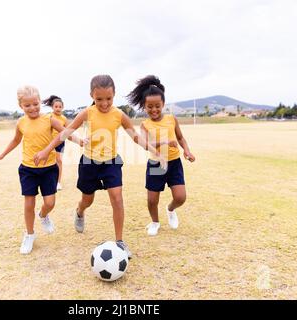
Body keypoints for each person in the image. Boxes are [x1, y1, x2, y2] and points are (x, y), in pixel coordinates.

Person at [34, 75, 165, 258]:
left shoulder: (119, 115)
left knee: (117, 198)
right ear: (92, 96)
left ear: (114, 94)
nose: (104, 103)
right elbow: (65, 133)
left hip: (111, 162)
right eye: (99, 99)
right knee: (88, 200)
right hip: (89, 163)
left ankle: (120, 242)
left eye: (109, 99)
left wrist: (153, 150)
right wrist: (47, 150)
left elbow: (135, 136)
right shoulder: (87, 113)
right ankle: (80, 212)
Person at [0, 85, 84, 254]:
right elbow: (15, 141)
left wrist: (79, 141)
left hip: (49, 169)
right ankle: (29, 234)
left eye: (35, 104)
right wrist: (2, 155)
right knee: (28, 204)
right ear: (21, 106)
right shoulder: (21, 122)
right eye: (27, 105)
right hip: (28, 169)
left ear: (39, 102)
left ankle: (43, 215)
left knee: (50, 203)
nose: (32, 108)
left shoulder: (49, 119)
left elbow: (65, 132)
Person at [126, 75, 196, 236]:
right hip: (156, 165)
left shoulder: (172, 119)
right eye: (149, 106)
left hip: (174, 163)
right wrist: (163, 143)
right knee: (152, 200)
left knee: (180, 197)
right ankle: (155, 222)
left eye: (157, 106)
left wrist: (187, 150)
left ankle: (170, 210)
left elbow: (180, 138)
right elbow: (145, 145)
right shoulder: (145, 124)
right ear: (144, 106)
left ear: (163, 104)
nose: (154, 110)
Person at [43, 95, 69, 191]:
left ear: (62, 107)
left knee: (59, 161)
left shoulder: (64, 118)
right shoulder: (48, 117)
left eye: (60, 107)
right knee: (48, 160)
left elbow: (69, 130)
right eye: (56, 107)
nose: (58, 108)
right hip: (49, 142)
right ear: (52, 107)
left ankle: (58, 182)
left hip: (60, 143)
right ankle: (46, 180)